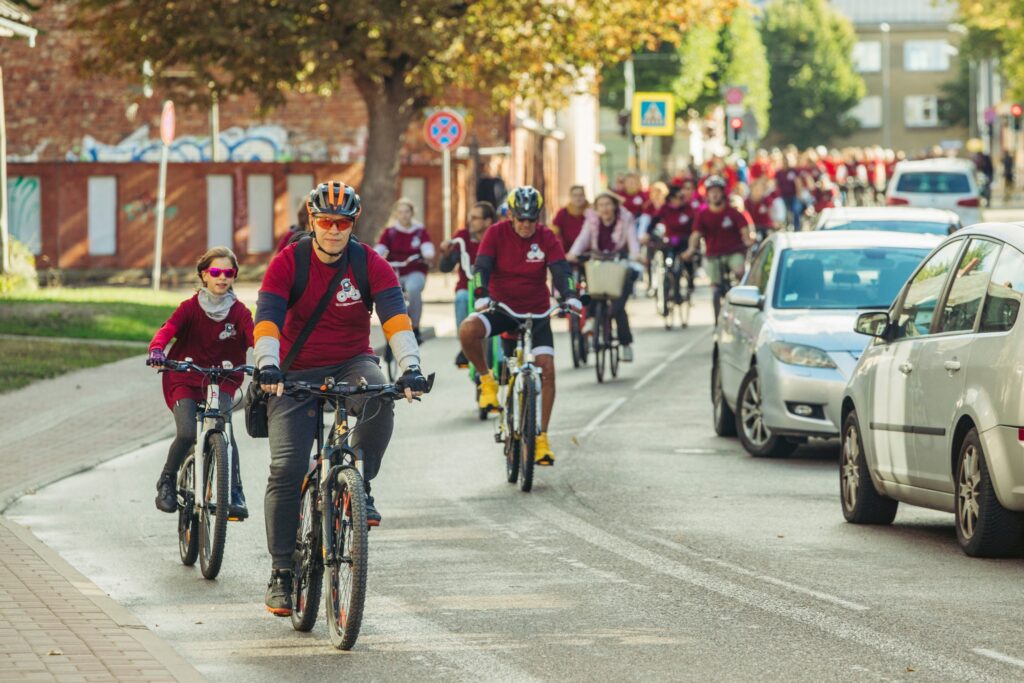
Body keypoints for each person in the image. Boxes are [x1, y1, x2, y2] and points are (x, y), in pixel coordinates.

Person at [254, 181, 429, 616]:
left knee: (378, 395)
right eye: (326, 222)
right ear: (311, 222)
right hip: (292, 371)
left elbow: (395, 318)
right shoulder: (288, 262)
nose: (334, 230)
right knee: (287, 467)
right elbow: (268, 318)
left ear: (354, 224)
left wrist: (410, 367)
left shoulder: (370, 263)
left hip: (351, 361)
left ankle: (360, 482)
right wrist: (267, 365)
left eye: (343, 223)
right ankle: (281, 573)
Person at [458, 186, 580, 466]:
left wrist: (570, 296)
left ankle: (541, 439)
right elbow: (481, 268)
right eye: (520, 218)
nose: (526, 224)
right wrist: (481, 295)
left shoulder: (546, 236)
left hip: (537, 312)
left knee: (546, 368)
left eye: (531, 219)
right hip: (502, 308)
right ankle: (487, 382)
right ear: (510, 215)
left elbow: (562, 271)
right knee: (468, 330)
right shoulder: (496, 234)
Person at [147, 247, 254, 519]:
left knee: (224, 428)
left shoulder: (239, 312)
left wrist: (269, 362)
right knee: (186, 432)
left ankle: (234, 492)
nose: (222, 278)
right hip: (186, 376)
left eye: (228, 273)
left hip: (223, 380)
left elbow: (256, 338)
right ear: (204, 275)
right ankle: (167, 480)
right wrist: (157, 350)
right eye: (215, 272)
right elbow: (167, 330)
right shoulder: (190, 308)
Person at [567, 191, 641, 362]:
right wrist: (573, 253)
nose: (605, 209)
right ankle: (591, 320)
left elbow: (632, 240)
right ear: (596, 208)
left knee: (617, 307)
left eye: (608, 204)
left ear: (615, 206)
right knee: (591, 288)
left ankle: (625, 344)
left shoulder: (625, 219)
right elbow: (583, 239)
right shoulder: (592, 220)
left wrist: (636, 255)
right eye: (601, 205)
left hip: (619, 263)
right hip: (598, 262)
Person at [682, 175, 754, 320]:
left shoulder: (733, 212)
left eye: (717, 191)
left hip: (733, 251)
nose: (714, 194)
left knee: (740, 270)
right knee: (715, 286)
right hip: (713, 254)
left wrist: (748, 240)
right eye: (711, 191)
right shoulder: (703, 215)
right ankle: (717, 319)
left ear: (723, 193)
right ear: (707, 194)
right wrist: (690, 249)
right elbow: (696, 235)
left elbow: (744, 231)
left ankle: (742, 301)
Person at [439, 201, 496, 365]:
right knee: (462, 297)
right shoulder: (462, 237)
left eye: (475, 218)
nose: (470, 221)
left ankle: (502, 356)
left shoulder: (496, 236)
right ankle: (465, 345)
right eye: (470, 217)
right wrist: (447, 254)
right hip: (467, 286)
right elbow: (445, 267)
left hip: (491, 288)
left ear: (487, 221)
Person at [375, 198, 436, 343]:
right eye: (400, 212)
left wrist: (428, 253)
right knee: (386, 293)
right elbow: (380, 248)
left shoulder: (419, 232)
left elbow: (427, 247)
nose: (404, 215)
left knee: (413, 288)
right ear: (396, 214)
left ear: (412, 213)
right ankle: (389, 324)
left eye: (407, 211)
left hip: (415, 270)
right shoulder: (390, 233)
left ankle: (415, 326)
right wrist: (374, 255)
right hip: (395, 271)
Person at [551, 185, 589, 254]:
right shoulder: (562, 212)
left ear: (585, 196)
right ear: (570, 197)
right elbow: (555, 232)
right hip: (567, 252)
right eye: (575, 196)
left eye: (581, 195)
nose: (578, 198)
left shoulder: (591, 213)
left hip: (588, 252)